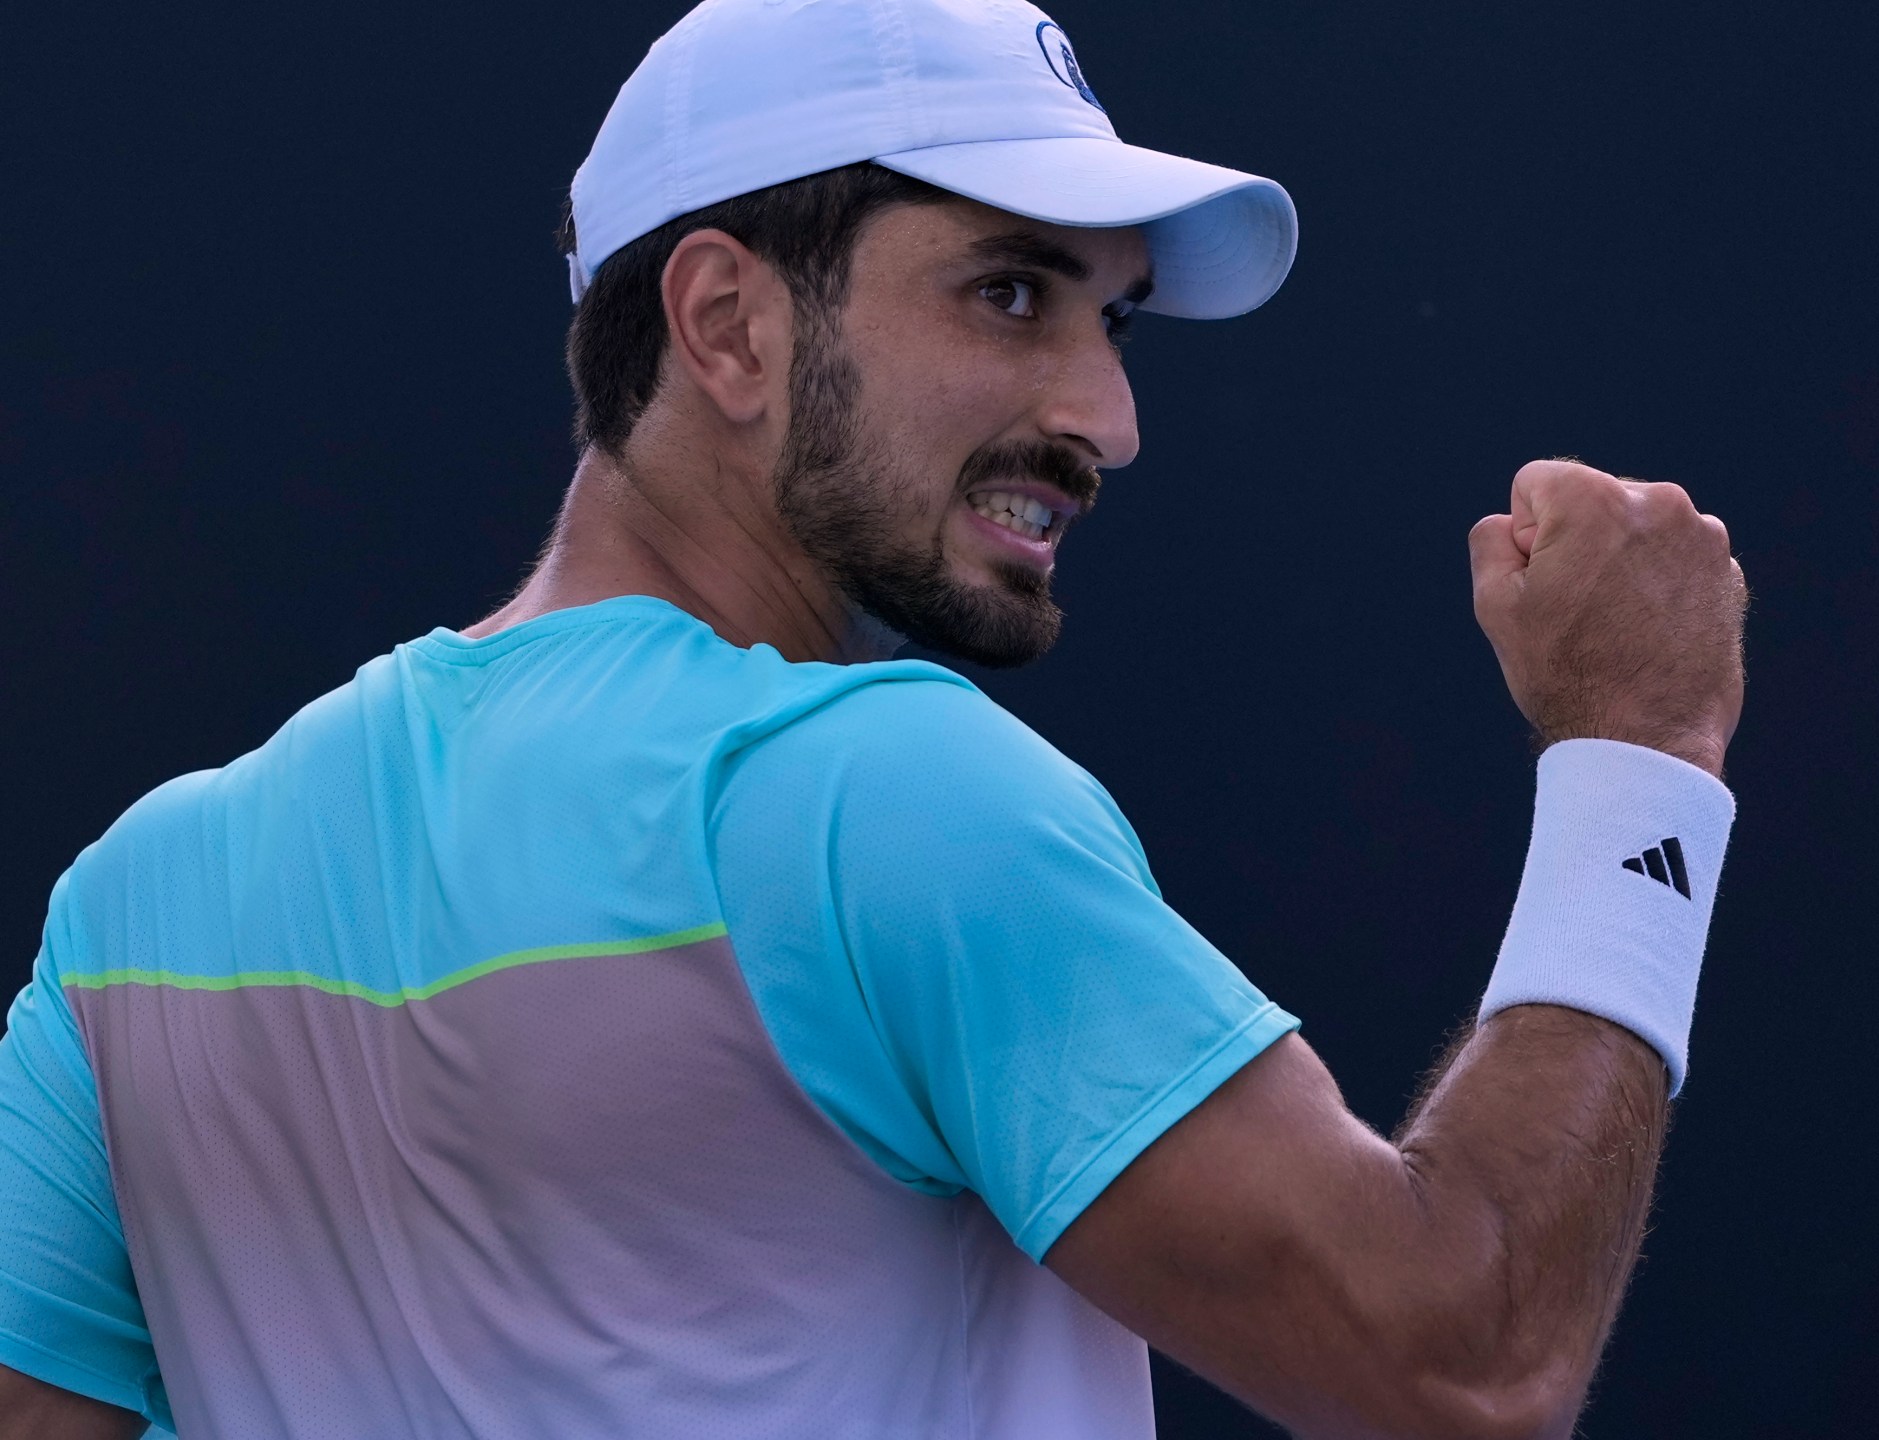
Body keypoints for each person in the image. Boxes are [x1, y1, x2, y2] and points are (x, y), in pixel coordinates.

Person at [0, 0, 1748, 1435]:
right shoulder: (880, 795)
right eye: (1010, 291)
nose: (1107, 414)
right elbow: (1464, 1361)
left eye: (1113, 318)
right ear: (726, 325)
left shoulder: (135, 913)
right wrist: (1640, 762)